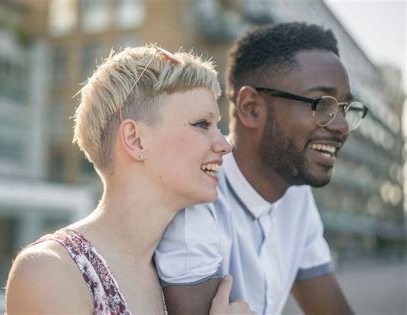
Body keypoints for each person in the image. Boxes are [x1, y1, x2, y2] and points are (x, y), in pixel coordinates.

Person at [5, 45, 256, 314]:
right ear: (136, 140)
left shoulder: (183, 278)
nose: (224, 145)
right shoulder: (50, 271)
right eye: (202, 124)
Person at [155, 22, 369, 315]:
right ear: (251, 108)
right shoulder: (193, 200)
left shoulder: (297, 197)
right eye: (322, 104)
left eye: (345, 108)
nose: (342, 127)